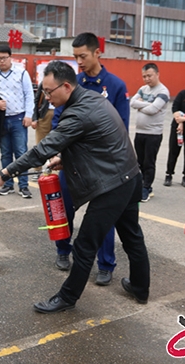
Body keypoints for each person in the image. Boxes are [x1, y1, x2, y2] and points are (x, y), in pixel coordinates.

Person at [0, 60, 150, 313]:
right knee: (132, 236)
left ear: (66, 86)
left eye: (49, 92)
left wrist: (5, 173)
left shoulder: (78, 112)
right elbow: (98, 142)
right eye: (43, 91)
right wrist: (65, 158)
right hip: (129, 175)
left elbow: (41, 150)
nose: (46, 97)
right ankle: (140, 287)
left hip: (114, 185)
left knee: (85, 244)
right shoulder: (92, 99)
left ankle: (67, 297)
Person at [51, 32, 129, 287]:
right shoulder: (72, 83)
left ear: (98, 53)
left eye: (82, 56)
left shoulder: (115, 86)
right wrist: (59, 152)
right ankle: (63, 250)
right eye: (75, 57)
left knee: (102, 217)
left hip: (101, 168)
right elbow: (58, 121)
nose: (79, 62)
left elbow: (122, 127)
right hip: (71, 164)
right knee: (63, 208)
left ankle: (106, 264)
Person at [0, 44, 34, 198]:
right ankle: (8, 184)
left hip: (19, 119)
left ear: (10, 57)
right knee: (5, 154)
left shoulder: (22, 74)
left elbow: (29, 95)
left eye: (4, 58)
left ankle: (24, 186)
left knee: (21, 154)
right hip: (2, 121)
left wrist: (29, 115)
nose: (1, 61)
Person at [130, 63, 170, 201]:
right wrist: (148, 105)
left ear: (157, 74)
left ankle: (147, 188)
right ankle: (141, 185)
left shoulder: (163, 91)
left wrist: (141, 105)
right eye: (144, 76)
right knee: (139, 161)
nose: (147, 79)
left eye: (149, 75)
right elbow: (132, 102)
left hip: (153, 133)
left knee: (149, 162)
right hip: (140, 132)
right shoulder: (143, 89)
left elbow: (154, 110)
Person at [29, 83, 54, 180]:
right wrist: (35, 118)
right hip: (45, 114)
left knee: (59, 144)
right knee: (40, 144)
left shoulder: (65, 81)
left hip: (61, 114)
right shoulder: (44, 82)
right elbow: (36, 100)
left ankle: (54, 171)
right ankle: (37, 170)